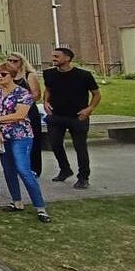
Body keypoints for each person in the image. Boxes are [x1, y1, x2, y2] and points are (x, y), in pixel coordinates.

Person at [0, 63, 51, 223]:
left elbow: (20, 114)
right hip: (1, 135)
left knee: (23, 169)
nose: (0, 77)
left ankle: (40, 207)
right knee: (8, 169)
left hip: (20, 134)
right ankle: (16, 201)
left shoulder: (23, 93)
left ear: (12, 75)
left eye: (3, 74)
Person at [43, 47, 100, 189]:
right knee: (55, 143)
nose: (53, 59)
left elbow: (96, 94)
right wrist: (45, 102)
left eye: (57, 56)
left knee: (80, 147)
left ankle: (83, 177)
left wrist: (89, 109)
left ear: (67, 58)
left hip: (78, 116)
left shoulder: (83, 75)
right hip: (56, 115)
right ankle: (65, 169)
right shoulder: (49, 74)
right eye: (53, 56)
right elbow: (48, 89)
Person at [6, 51, 43, 178]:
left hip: (29, 112)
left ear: (21, 62)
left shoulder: (29, 75)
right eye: (9, 60)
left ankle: (35, 168)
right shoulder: (7, 76)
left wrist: (21, 101)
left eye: (15, 61)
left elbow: (36, 95)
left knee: (33, 140)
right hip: (12, 113)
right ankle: (19, 167)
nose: (11, 63)